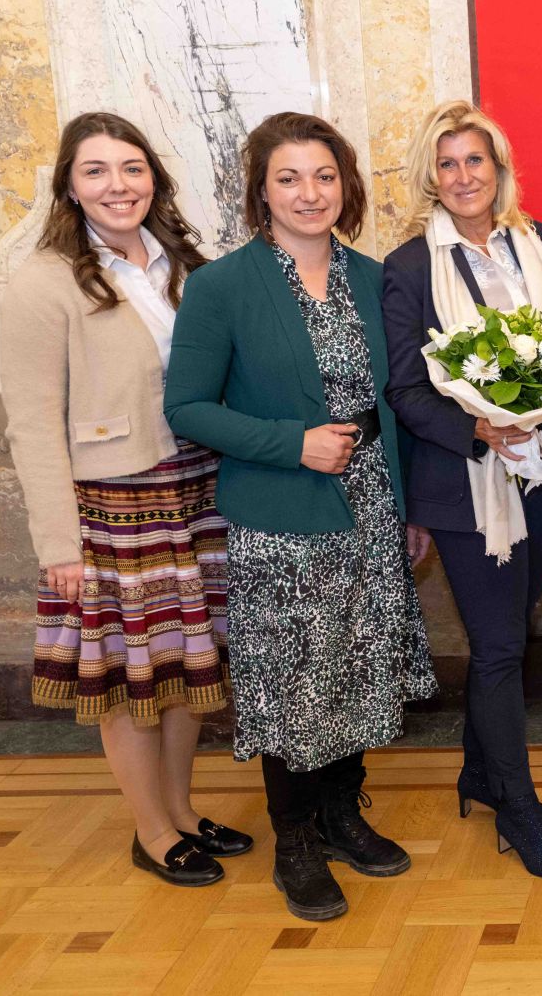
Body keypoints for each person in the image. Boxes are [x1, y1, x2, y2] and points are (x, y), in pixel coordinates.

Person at [166, 112, 437, 921]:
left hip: (371, 504)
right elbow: (187, 406)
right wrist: (293, 443)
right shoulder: (221, 285)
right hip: (281, 513)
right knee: (293, 679)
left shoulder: (376, 276)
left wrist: (411, 504)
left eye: (324, 175)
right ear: (260, 190)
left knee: (358, 662)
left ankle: (342, 812)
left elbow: (399, 400)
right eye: (288, 177)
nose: (309, 193)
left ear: (345, 186)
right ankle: (294, 839)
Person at [1, 111, 247, 888]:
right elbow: (32, 421)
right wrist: (59, 546)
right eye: (97, 170)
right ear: (69, 187)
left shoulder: (187, 264)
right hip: (113, 506)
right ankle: (152, 829)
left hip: (198, 490)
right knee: (130, 677)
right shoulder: (43, 281)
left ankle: (181, 810)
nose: (118, 184)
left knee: (188, 669)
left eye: (132, 167)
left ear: (154, 179)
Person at [382, 99, 542, 882]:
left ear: (498, 168)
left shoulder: (535, 241)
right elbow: (405, 388)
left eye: (474, 159)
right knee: (501, 647)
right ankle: (517, 808)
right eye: (446, 163)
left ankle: (481, 772)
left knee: (512, 633)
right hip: (466, 484)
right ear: (431, 177)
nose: (462, 175)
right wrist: (476, 426)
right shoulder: (411, 266)